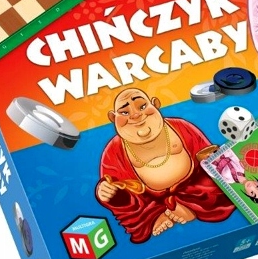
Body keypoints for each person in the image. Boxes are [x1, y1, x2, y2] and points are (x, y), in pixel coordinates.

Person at [95, 88, 235, 243]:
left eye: (142, 106)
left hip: (193, 188)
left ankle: (188, 206)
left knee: (217, 177)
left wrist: (210, 157)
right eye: (125, 112)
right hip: (151, 201)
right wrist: (107, 191)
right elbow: (113, 183)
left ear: (155, 104)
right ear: (113, 117)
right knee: (123, 201)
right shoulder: (114, 150)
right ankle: (156, 216)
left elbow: (207, 153)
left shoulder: (180, 126)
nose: (135, 115)